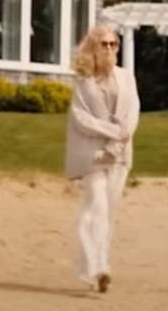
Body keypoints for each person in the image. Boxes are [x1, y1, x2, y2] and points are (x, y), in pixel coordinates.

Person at [65, 24, 140, 294]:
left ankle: (94, 267)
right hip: (93, 154)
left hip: (120, 155)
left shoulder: (127, 78)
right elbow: (81, 119)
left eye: (113, 44)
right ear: (93, 47)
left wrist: (117, 143)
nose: (109, 49)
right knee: (96, 206)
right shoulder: (83, 82)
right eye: (104, 44)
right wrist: (110, 135)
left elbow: (132, 114)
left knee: (107, 211)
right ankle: (98, 266)